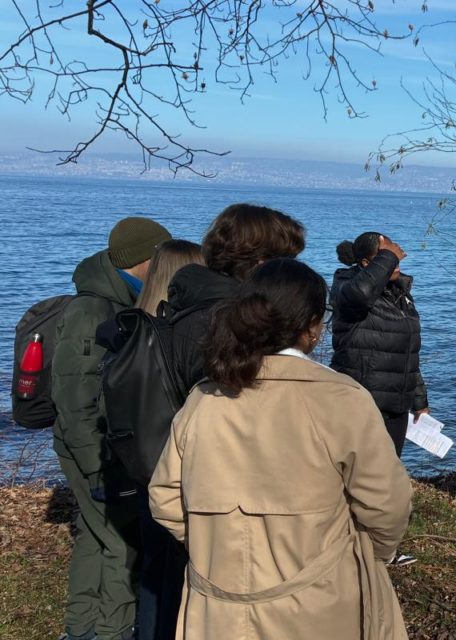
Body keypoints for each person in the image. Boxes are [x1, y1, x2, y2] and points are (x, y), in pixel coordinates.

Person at [148, 259, 413, 640]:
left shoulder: (205, 398)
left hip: (216, 603)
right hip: (319, 601)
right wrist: (369, 556)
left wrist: (214, 543)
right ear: (312, 328)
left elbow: (165, 498)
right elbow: (386, 503)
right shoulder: (340, 398)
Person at [142, 204, 304, 639]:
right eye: (290, 261)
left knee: (159, 595)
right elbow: (241, 426)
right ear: (264, 264)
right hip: (215, 504)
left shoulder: (178, 302)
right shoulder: (229, 322)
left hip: (163, 476)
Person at [53, 216, 172, 640]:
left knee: (94, 537)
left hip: (107, 445)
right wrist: (94, 464)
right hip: (99, 449)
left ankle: (81, 628)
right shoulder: (92, 310)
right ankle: (113, 631)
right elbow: (72, 396)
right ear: (147, 258)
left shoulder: (120, 300)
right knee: (123, 544)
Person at [330, 231, 429, 567]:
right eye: (387, 255)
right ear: (368, 262)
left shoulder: (399, 295)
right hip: (361, 398)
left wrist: (418, 397)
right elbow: (360, 293)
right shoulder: (346, 286)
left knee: (387, 477)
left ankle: (381, 548)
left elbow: (408, 351)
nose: (397, 260)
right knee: (355, 478)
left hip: (395, 401)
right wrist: (387, 259)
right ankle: (344, 546)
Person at [128, 239, 202, 640]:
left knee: (155, 567)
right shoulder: (181, 335)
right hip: (178, 466)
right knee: (183, 567)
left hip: (140, 461)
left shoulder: (130, 329)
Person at [167, 203, 306, 391]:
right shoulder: (234, 323)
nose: (294, 271)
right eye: (289, 261)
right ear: (262, 263)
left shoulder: (190, 306)